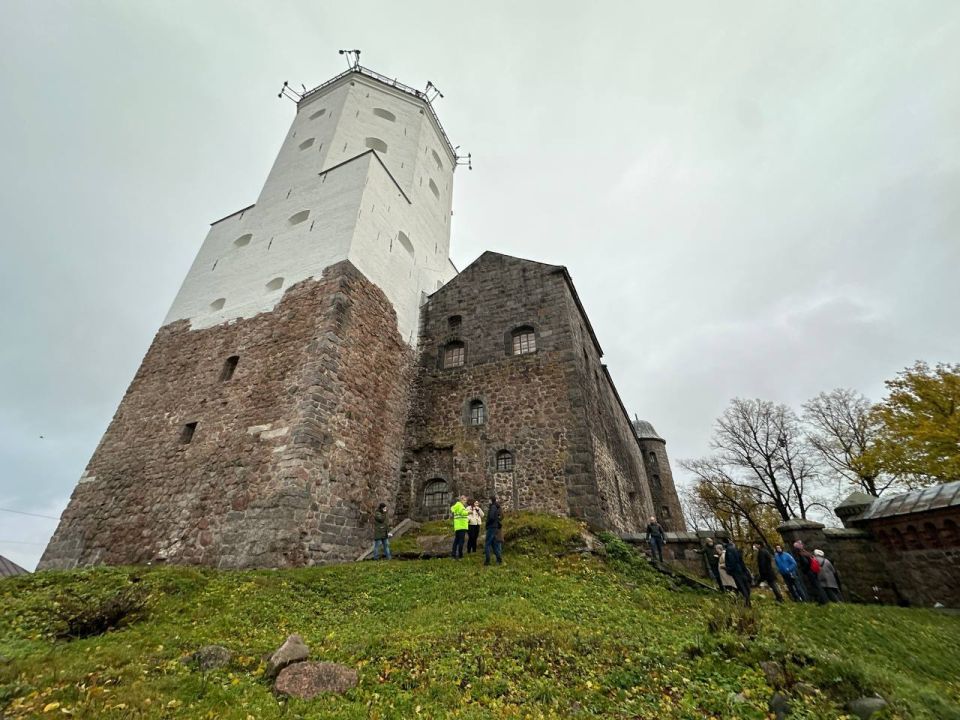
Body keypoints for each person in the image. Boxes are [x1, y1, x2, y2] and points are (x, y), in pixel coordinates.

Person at [792, 540, 827, 605]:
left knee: (816, 585)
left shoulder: (801, 553)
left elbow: (806, 563)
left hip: (810, 571)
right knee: (817, 585)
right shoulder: (806, 552)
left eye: (795, 547)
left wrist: (804, 570)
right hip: (814, 570)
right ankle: (823, 599)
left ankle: (822, 601)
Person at [721, 540, 752, 607]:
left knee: (741, 587)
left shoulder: (729, 550)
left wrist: (727, 569)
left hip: (736, 571)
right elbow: (741, 561)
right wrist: (744, 570)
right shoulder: (735, 549)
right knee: (745, 587)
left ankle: (747, 603)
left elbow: (732, 562)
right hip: (741, 570)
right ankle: (748, 603)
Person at [484, 495, 503, 566]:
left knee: (487, 544)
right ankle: (499, 560)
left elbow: (491, 517)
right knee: (494, 544)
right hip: (496, 527)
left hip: (491, 527)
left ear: (491, 500)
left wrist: (487, 524)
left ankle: (487, 561)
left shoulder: (493, 507)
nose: (488, 501)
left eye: (489, 500)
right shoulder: (497, 507)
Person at [450, 495, 469, 559]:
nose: (465, 502)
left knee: (456, 541)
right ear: (461, 500)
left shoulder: (456, 506)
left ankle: (453, 554)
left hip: (457, 526)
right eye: (464, 500)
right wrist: (468, 512)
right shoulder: (460, 506)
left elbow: (452, 509)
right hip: (462, 526)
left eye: (466, 500)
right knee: (461, 541)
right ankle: (460, 555)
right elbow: (462, 513)